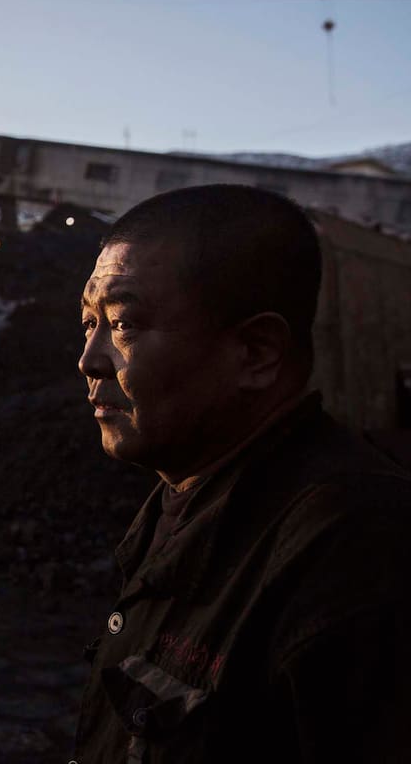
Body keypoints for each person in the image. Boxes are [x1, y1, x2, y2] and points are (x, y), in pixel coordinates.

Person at [71, 184, 411, 764]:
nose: (90, 359)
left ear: (256, 353)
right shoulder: (188, 493)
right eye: (88, 322)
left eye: (123, 324)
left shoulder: (360, 551)